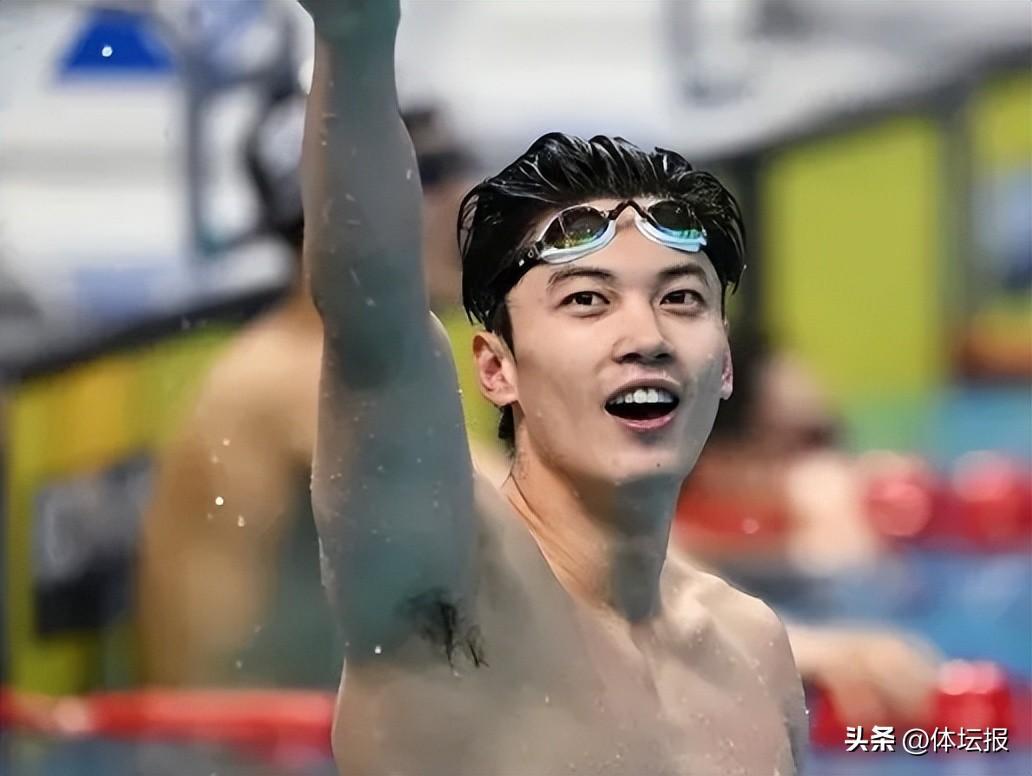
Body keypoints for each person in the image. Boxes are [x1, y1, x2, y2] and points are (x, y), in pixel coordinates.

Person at [300, 1, 807, 774]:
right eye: (587, 301)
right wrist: (356, 40)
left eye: (680, 298)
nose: (646, 337)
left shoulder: (754, 649)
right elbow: (372, 323)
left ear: (726, 363)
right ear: (496, 368)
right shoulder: (448, 600)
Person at [137, 86, 506, 687]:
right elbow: (527, 528)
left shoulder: (356, 363)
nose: (463, 204)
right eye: (426, 179)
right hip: (237, 737)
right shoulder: (294, 377)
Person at [675, 332, 941, 726]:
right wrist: (828, 652)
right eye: (812, 442)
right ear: (724, 462)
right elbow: (673, 623)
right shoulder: (659, 556)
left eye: (836, 436)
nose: (833, 466)